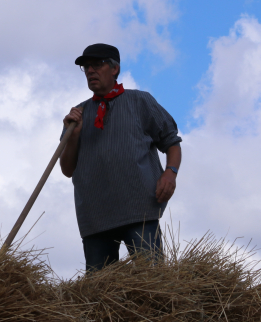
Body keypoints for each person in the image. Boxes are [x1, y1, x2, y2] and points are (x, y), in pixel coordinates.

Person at [60, 43, 182, 272]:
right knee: (99, 292)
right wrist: (73, 135)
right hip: (95, 216)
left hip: (139, 209)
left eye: (97, 65)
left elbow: (172, 142)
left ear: (114, 69)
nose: (90, 71)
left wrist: (170, 173)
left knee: (153, 280)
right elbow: (67, 169)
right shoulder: (77, 115)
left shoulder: (140, 101)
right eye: (86, 67)